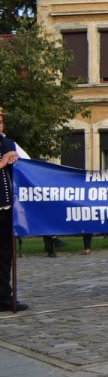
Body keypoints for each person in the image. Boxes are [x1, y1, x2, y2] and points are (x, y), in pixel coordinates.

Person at [0, 109, 31, 311]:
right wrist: (2, 162)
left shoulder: (8, 144)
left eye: (0, 121)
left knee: (4, 257)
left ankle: (4, 298)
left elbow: (29, 163)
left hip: (6, 209)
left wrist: (17, 161)